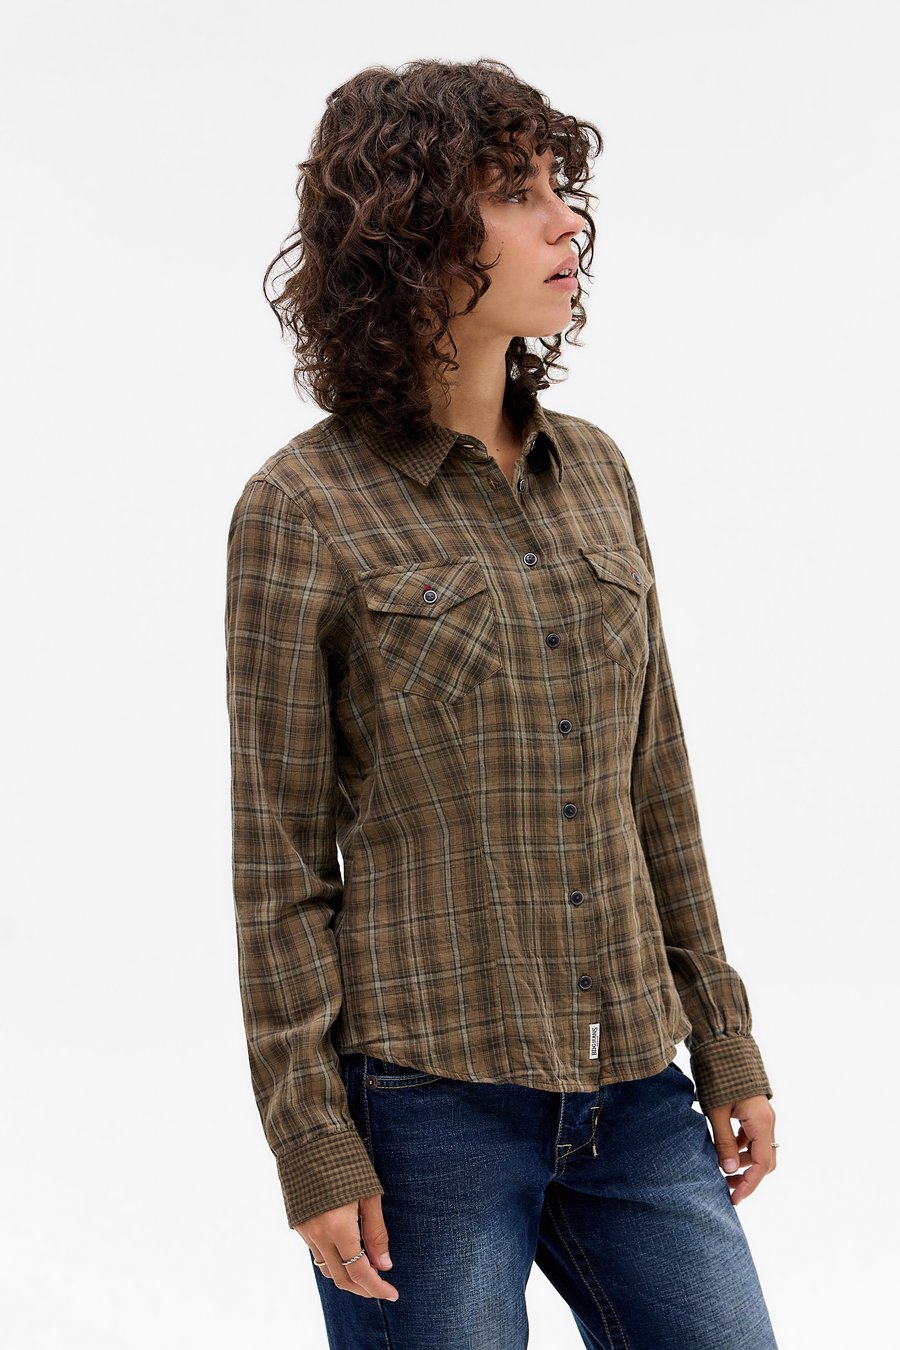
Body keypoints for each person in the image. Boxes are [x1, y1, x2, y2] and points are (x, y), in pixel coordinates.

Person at [224, 57, 780, 1349]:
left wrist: (726, 1039)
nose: (566, 221)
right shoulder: (302, 508)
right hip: (428, 1109)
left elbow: (658, 783)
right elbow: (278, 863)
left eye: (558, 189)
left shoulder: (597, 473)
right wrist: (312, 1140)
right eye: (516, 194)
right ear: (411, 235)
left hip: (637, 1089)